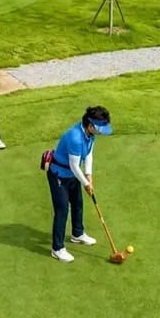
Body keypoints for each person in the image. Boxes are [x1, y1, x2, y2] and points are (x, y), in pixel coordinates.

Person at [46, 105, 113, 262]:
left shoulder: (90, 135)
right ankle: (57, 249)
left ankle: (77, 233)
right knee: (62, 210)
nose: (101, 132)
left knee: (78, 203)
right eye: (99, 128)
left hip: (72, 175)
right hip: (59, 175)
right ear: (90, 125)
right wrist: (86, 183)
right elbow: (74, 166)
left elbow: (88, 155)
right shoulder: (75, 137)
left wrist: (89, 175)